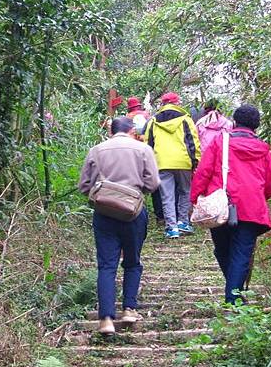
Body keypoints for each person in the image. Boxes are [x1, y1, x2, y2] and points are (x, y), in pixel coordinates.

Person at [190, 104, 271, 305]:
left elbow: (203, 172)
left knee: (222, 250)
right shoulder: (264, 149)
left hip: (221, 205)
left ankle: (233, 297)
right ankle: (234, 296)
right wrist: (257, 196)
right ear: (256, 125)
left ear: (235, 121)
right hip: (252, 209)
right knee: (241, 253)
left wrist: (196, 199)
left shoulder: (220, 143)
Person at [79, 116, 160, 335]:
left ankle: (105, 320)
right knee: (132, 262)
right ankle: (129, 309)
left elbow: (84, 186)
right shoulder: (143, 149)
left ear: (110, 131)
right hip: (133, 213)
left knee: (106, 265)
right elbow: (153, 184)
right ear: (132, 130)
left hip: (104, 213)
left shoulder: (96, 150)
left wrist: (104, 194)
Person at [144, 92, 201, 239]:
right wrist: (196, 161)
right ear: (177, 103)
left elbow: (148, 144)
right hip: (183, 161)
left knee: (166, 195)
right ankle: (183, 221)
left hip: (161, 162)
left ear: (163, 104)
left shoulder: (153, 121)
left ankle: (171, 228)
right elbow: (193, 142)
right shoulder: (185, 119)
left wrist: (149, 164)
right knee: (185, 191)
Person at [125, 96, 164, 224]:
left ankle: (134, 210)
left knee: (134, 184)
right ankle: (160, 215)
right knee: (154, 185)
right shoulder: (147, 116)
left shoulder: (126, 118)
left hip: (131, 154)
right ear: (139, 106)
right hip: (148, 152)